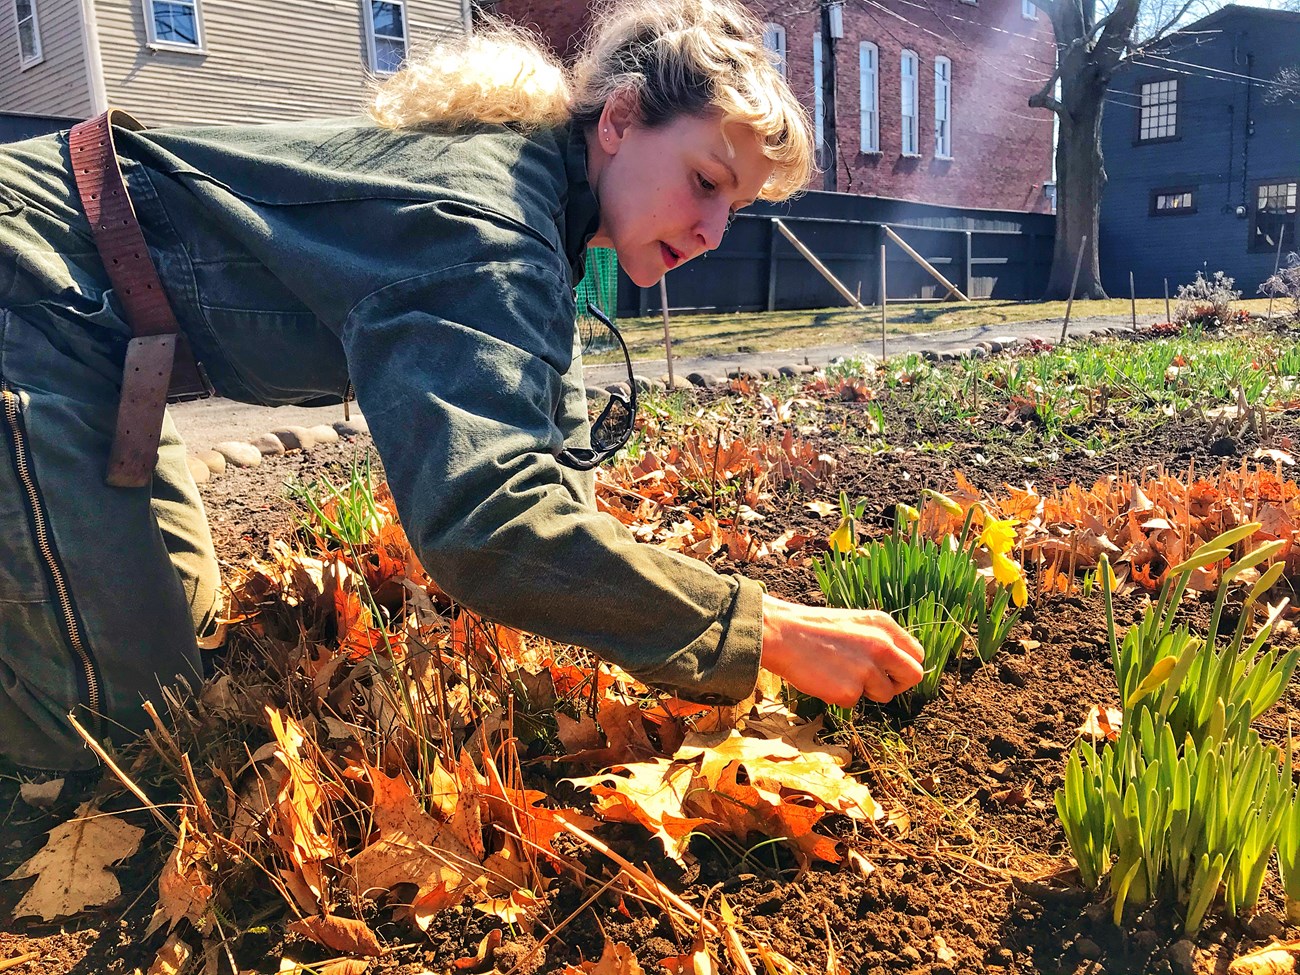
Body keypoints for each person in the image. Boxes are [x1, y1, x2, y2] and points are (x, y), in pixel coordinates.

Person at [0, 0, 924, 776]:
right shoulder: (488, 224)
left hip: (121, 348)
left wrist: (627, 605)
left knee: (186, 659)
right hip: (38, 293)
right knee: (114, 732)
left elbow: (548, 461)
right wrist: (757, 628)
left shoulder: (541, 206)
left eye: (737, 206)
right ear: (620, 118)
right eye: (706, 181)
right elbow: (483, 518)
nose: (718, 229)